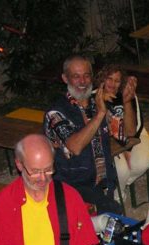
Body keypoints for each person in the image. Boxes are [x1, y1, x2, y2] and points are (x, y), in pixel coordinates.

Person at [44, 55, 122, 214]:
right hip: (73, 185)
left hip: (103, 181)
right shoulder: (56, 112)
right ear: (65, 78)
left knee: (109, 224)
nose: (83, 81)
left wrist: (126, 100)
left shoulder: (97, 103)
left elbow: (124, 134)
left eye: (86, 75)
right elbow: (75, 146)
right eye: (76, 76)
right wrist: (100, 114)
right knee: (113, 213)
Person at [97, 64, 149, 195]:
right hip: (108, 138)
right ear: (102, 79)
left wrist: (127, 149)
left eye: (117, 81)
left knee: (142, 164)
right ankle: (119, 193)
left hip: (135, 135)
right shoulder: (95, 95)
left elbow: (135, 129)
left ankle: (124, 184)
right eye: (109, 79)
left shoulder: (127, 93)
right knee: (122, 170)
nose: (112, 84)